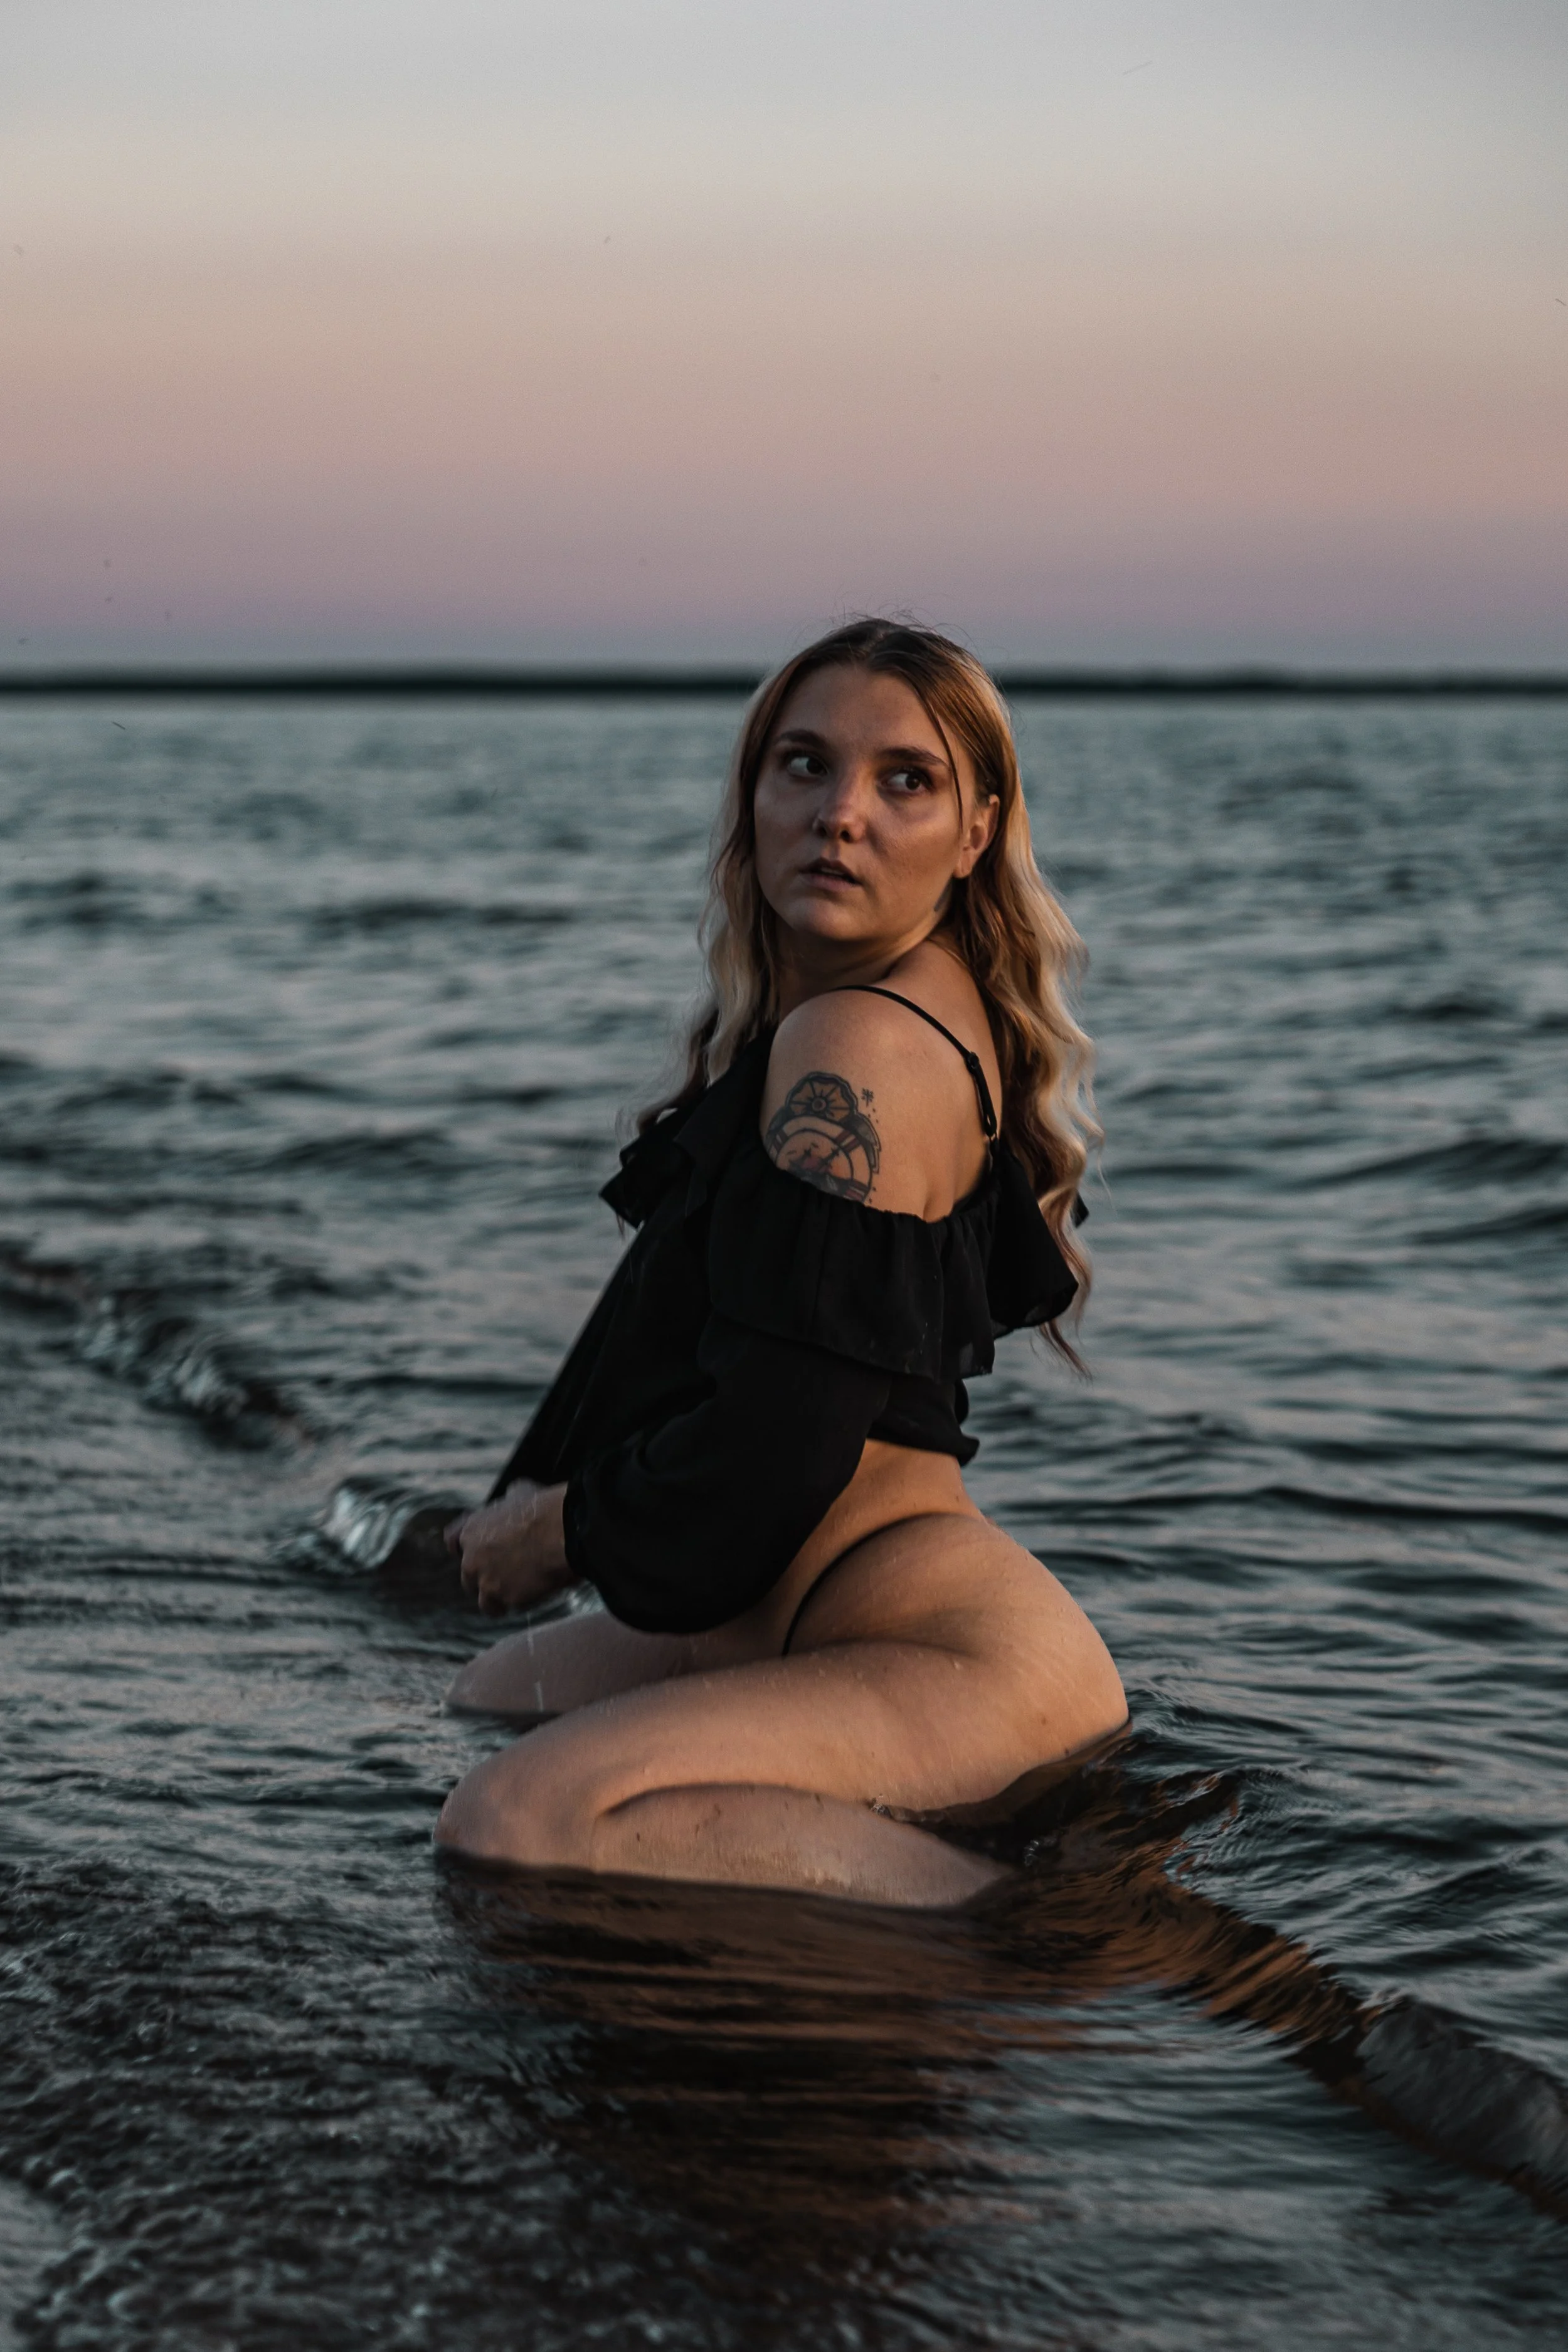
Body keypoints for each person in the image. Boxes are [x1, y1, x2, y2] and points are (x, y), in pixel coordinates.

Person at [435, 619, 1126, 1906]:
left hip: (934, 1649)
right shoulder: (848, 1012)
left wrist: (565, 1530)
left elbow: (779, 1438)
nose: (839, 814)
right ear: (751, 795)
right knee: (490, 1695)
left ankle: (1050, 1934)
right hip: (783, 1611)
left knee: (513, 1820)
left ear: (974, 831)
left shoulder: (860, 1045)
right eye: (802, 766)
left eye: (902, 780)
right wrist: (536, 1504)